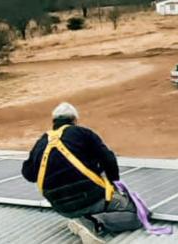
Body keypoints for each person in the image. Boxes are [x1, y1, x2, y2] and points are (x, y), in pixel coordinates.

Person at [22, 102, 141, 244]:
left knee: (84, 204)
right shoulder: (83, 133)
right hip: (91, 197)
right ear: (74, 120)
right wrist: (114, 184)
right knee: (138, 215)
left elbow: (28, 174)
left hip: (61, 206)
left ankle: (79, 218)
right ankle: (94, 222)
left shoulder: (41, 142)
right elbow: (108, 159)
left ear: (53, 122)